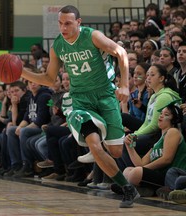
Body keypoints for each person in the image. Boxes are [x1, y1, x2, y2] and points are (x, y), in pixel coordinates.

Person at [21, 5, 139, 208]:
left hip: (105, 96)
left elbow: (120, 52)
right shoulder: (58, 45)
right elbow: (49, 78)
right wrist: (20, 72)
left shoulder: (93, 36)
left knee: (116, 151)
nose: (63, 28)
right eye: (60, 23)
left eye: (67, 23)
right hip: (80, 100)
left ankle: (101, 142)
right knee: (94, 143)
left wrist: (125, 85)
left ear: (79, 22)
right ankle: (127, 188)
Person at [113, 102, 186, 197]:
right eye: (161, 113)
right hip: (159, 175)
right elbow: (141, 163)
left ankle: (132, 189)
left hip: (171, 176)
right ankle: (143, 190)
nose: (161, 116)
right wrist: (129, 147)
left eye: (166, 114)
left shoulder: (173, 132)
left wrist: (142, 169)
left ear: (174, 119)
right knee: (128, 170)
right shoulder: (158, 140)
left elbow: (167, 159)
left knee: (135, 172)